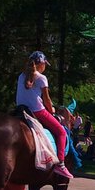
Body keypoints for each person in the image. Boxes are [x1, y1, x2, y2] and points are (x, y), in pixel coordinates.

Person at [16, 51, 72, 180]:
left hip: (20, 109)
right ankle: (61, 164)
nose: (45, 67)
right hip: (36, 111)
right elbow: (46, 100)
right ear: (41, 64)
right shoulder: (41, 78)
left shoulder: (21, 76)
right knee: (61, 132)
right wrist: (51, 109)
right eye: (45, 64)